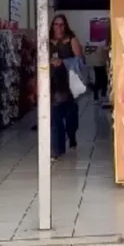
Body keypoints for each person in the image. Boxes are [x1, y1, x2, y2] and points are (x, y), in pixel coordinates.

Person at [49, 14, 82, 159]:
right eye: (56, 24)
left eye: (61, 24)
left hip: (69, 84)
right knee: (55, 117)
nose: (59, 27)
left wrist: (64, 62)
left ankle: (72, 135)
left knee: (70, 117)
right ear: (52, 26)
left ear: (65, 26)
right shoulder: (47, 42)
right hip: (53, 84)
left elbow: (79, 61)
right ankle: (58, 149)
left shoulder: (72, 40)